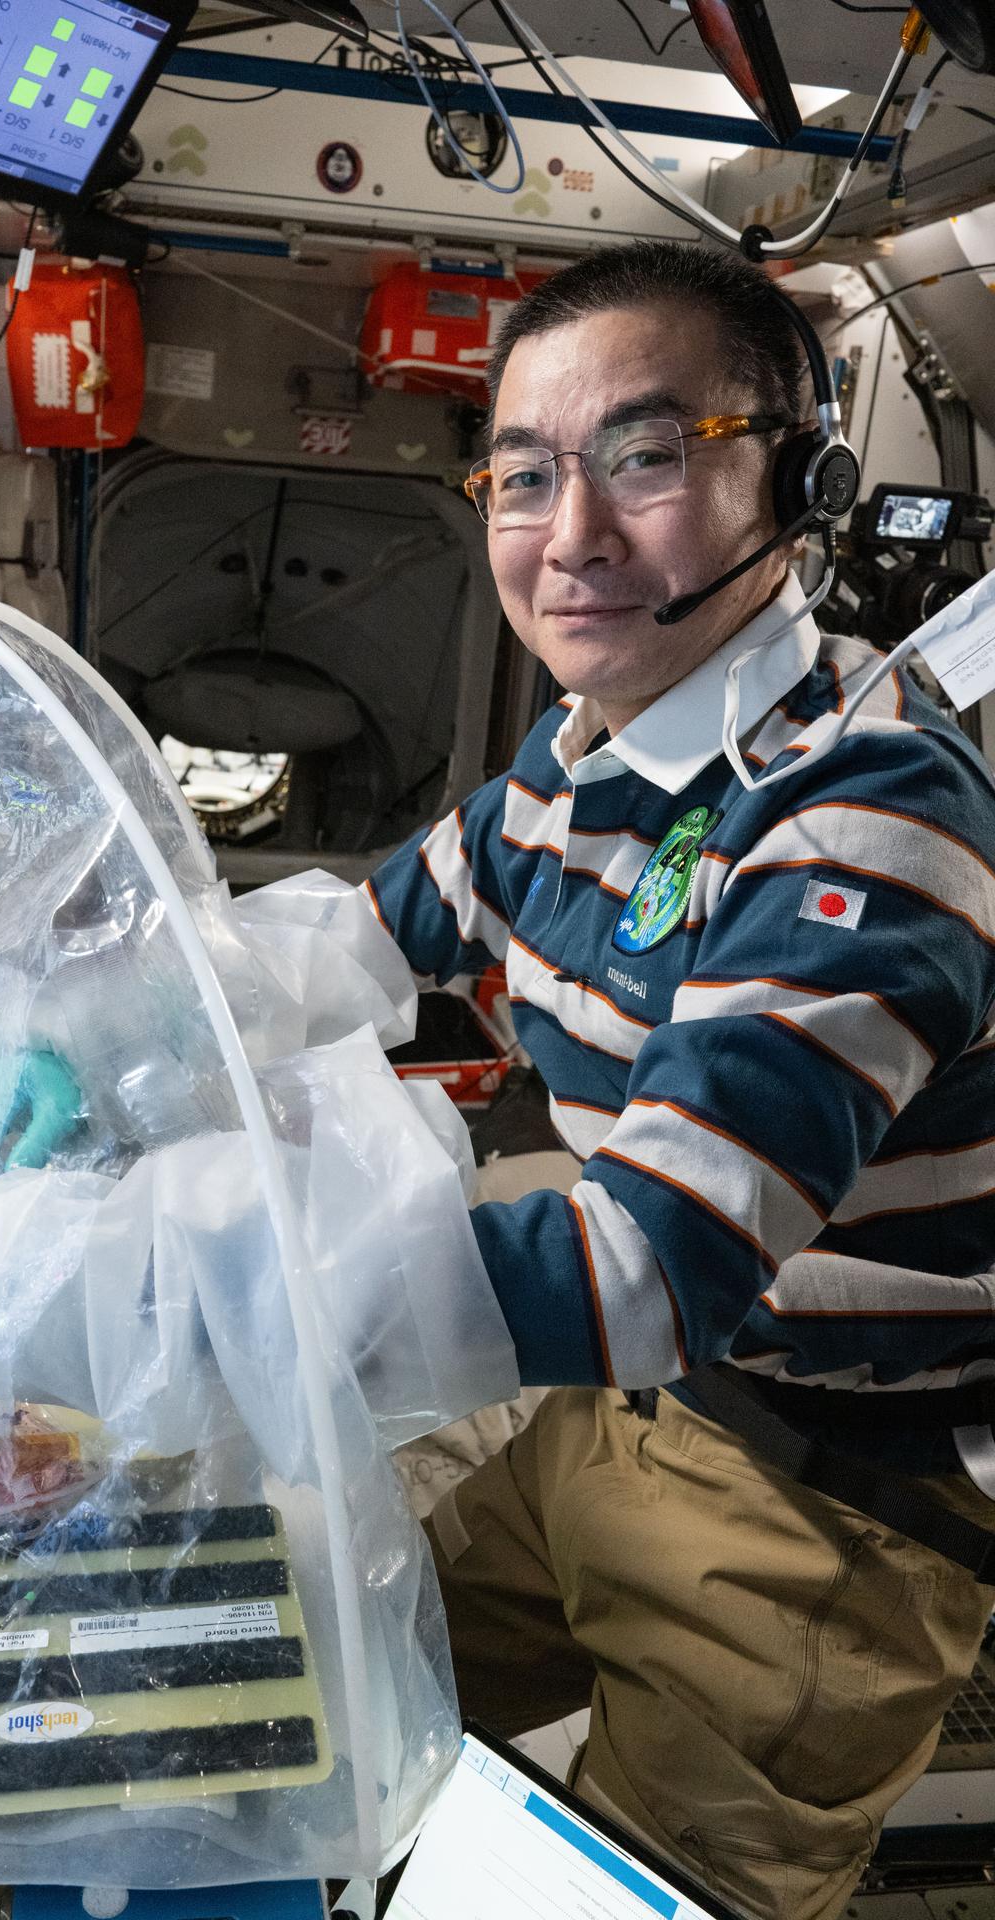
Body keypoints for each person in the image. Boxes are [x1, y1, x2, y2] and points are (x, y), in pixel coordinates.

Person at [363, 240, 995, 1920]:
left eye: (644, 457)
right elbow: (375, 932)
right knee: (334, 1695)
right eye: (521, 473)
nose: (566, 538)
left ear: (800, 480)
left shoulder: (862, 808)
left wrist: (200, 1293)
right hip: (620, 1423)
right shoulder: (582, 754)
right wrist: (133, 1005)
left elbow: (645, 1265)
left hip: (819, 1527)